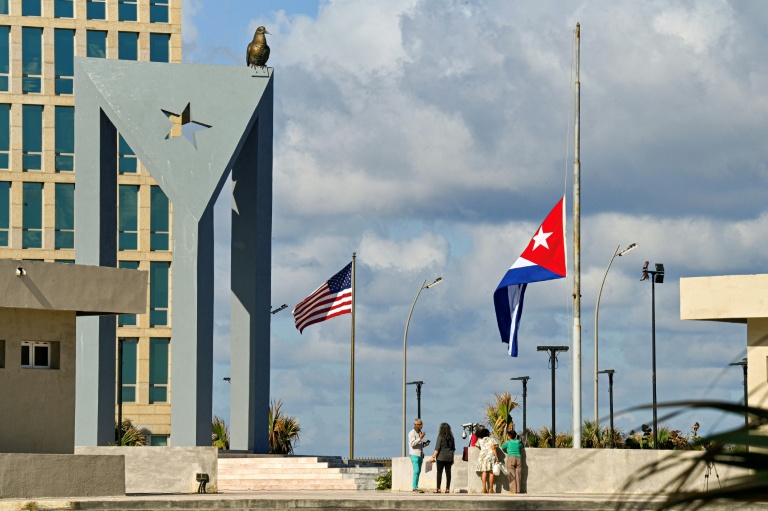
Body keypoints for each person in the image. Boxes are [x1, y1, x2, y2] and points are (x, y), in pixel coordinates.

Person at [429, 422, 456, 493]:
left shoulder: (440, 436)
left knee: (439, 473)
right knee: (448, 473)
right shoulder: (452, 438)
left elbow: (437, 448)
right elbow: (453, 449)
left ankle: (438, 488)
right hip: (449, 457)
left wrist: (433, 457)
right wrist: (452, 459)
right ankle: (447, 489)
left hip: (441, 457)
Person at [474, 427, 500, 493]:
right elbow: (494, 448)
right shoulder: (491, 440)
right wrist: (497, 457)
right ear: (488, 433)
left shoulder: (480, 440)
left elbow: (476, 445)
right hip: (490, 457)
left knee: (484, 472)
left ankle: (484, 489)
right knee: (491, 473)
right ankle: (491, 489)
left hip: (482, 457)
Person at [408, 418, 430, 492]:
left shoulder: (419, 432)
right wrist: (420, 438)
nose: (421, 426)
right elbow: (412, 444)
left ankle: (416, 486)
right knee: (416, 470)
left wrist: (425, 444)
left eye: (421, 424)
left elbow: (419, 444)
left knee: (418, 471)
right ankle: (414, 487)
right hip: (414, 454)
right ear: (415, 425)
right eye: (419, 424)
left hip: (420, 454)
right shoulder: (412, 433)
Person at [501, 429, 523, 494]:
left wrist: (507, 450)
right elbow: (521, 446)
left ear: (509, 436)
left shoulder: (508, 442)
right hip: (519, 458)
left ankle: (513, 491)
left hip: (511, 458)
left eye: (508, 435)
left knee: (512, 475)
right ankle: (518, 490)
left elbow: (502, 447)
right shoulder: (518, 442)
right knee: (518, 475)